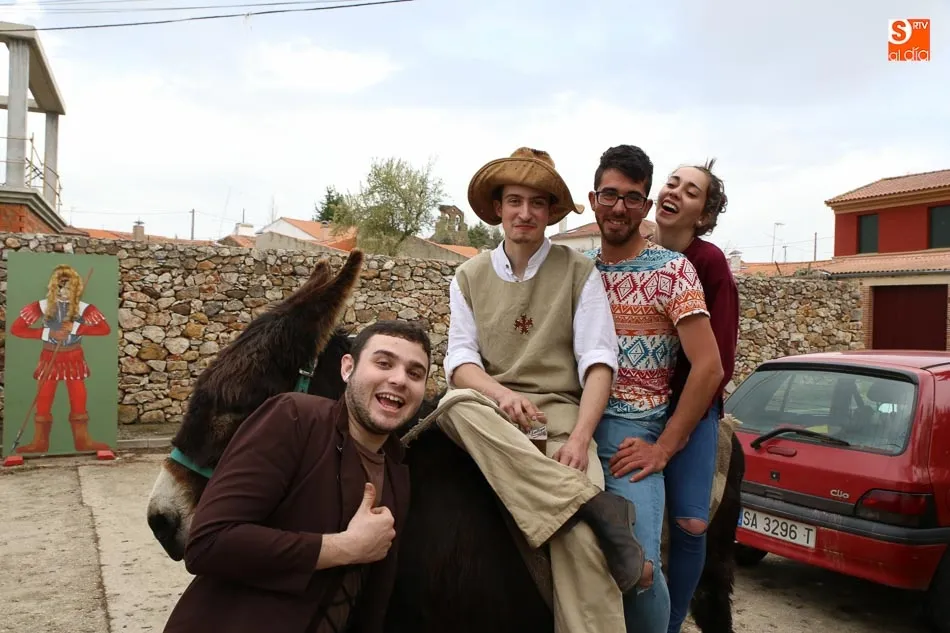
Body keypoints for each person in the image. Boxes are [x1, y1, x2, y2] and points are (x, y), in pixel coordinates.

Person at [439, 146, 649, 633]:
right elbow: (460, 361)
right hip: (491, 416)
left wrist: (579, 439)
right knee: (453, 405)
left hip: (558, 421)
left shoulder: (579, 272)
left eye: (537, 203)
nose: (525, 213)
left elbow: (599, 363)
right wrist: (500, 394)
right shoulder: (468, 276)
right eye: (515, 201)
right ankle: (591, 506)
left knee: (585, 548)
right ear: (498, 207)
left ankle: (585, 524)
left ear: (551, 212)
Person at [162, 320, 432, 633]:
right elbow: (208, 544)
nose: (399, 379)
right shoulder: (293, 418)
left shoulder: (397, 472)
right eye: (383, 363)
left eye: (415, 373)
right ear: (348, 368)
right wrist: (345, 547)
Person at [583, 145, 724, 633]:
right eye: (609, 195)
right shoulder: (579, 271)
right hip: (571, 417)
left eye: (631, 198)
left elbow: (709, 367)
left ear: (644, 207)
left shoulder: (672, 271)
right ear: (593, 199)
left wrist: (663, 448)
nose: (619, 207)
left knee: (639, 570)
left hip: (630, 428)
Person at [652, 159, 739, 633]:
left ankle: (669, 624)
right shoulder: (640, 254)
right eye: (672, 183)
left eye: (690, 191)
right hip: (635, 402)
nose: (675, 192)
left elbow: (715, 363)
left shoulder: (709, 264)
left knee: (691, 523)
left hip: (691, 407)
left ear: (703, 216)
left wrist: (677, 431)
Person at [9, 263, 112, 454]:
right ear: (54, 285)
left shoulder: (82, 308)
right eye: (61, 285)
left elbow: (104, 329)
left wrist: (76, 328)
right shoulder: (42, 306)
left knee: (78, 395)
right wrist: (48, 333)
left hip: (74, 356)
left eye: (68, 286)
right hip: (50, 356)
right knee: (44, 396)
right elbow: (16, 329)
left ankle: (82, 440)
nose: (64, 290)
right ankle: (40, 442)